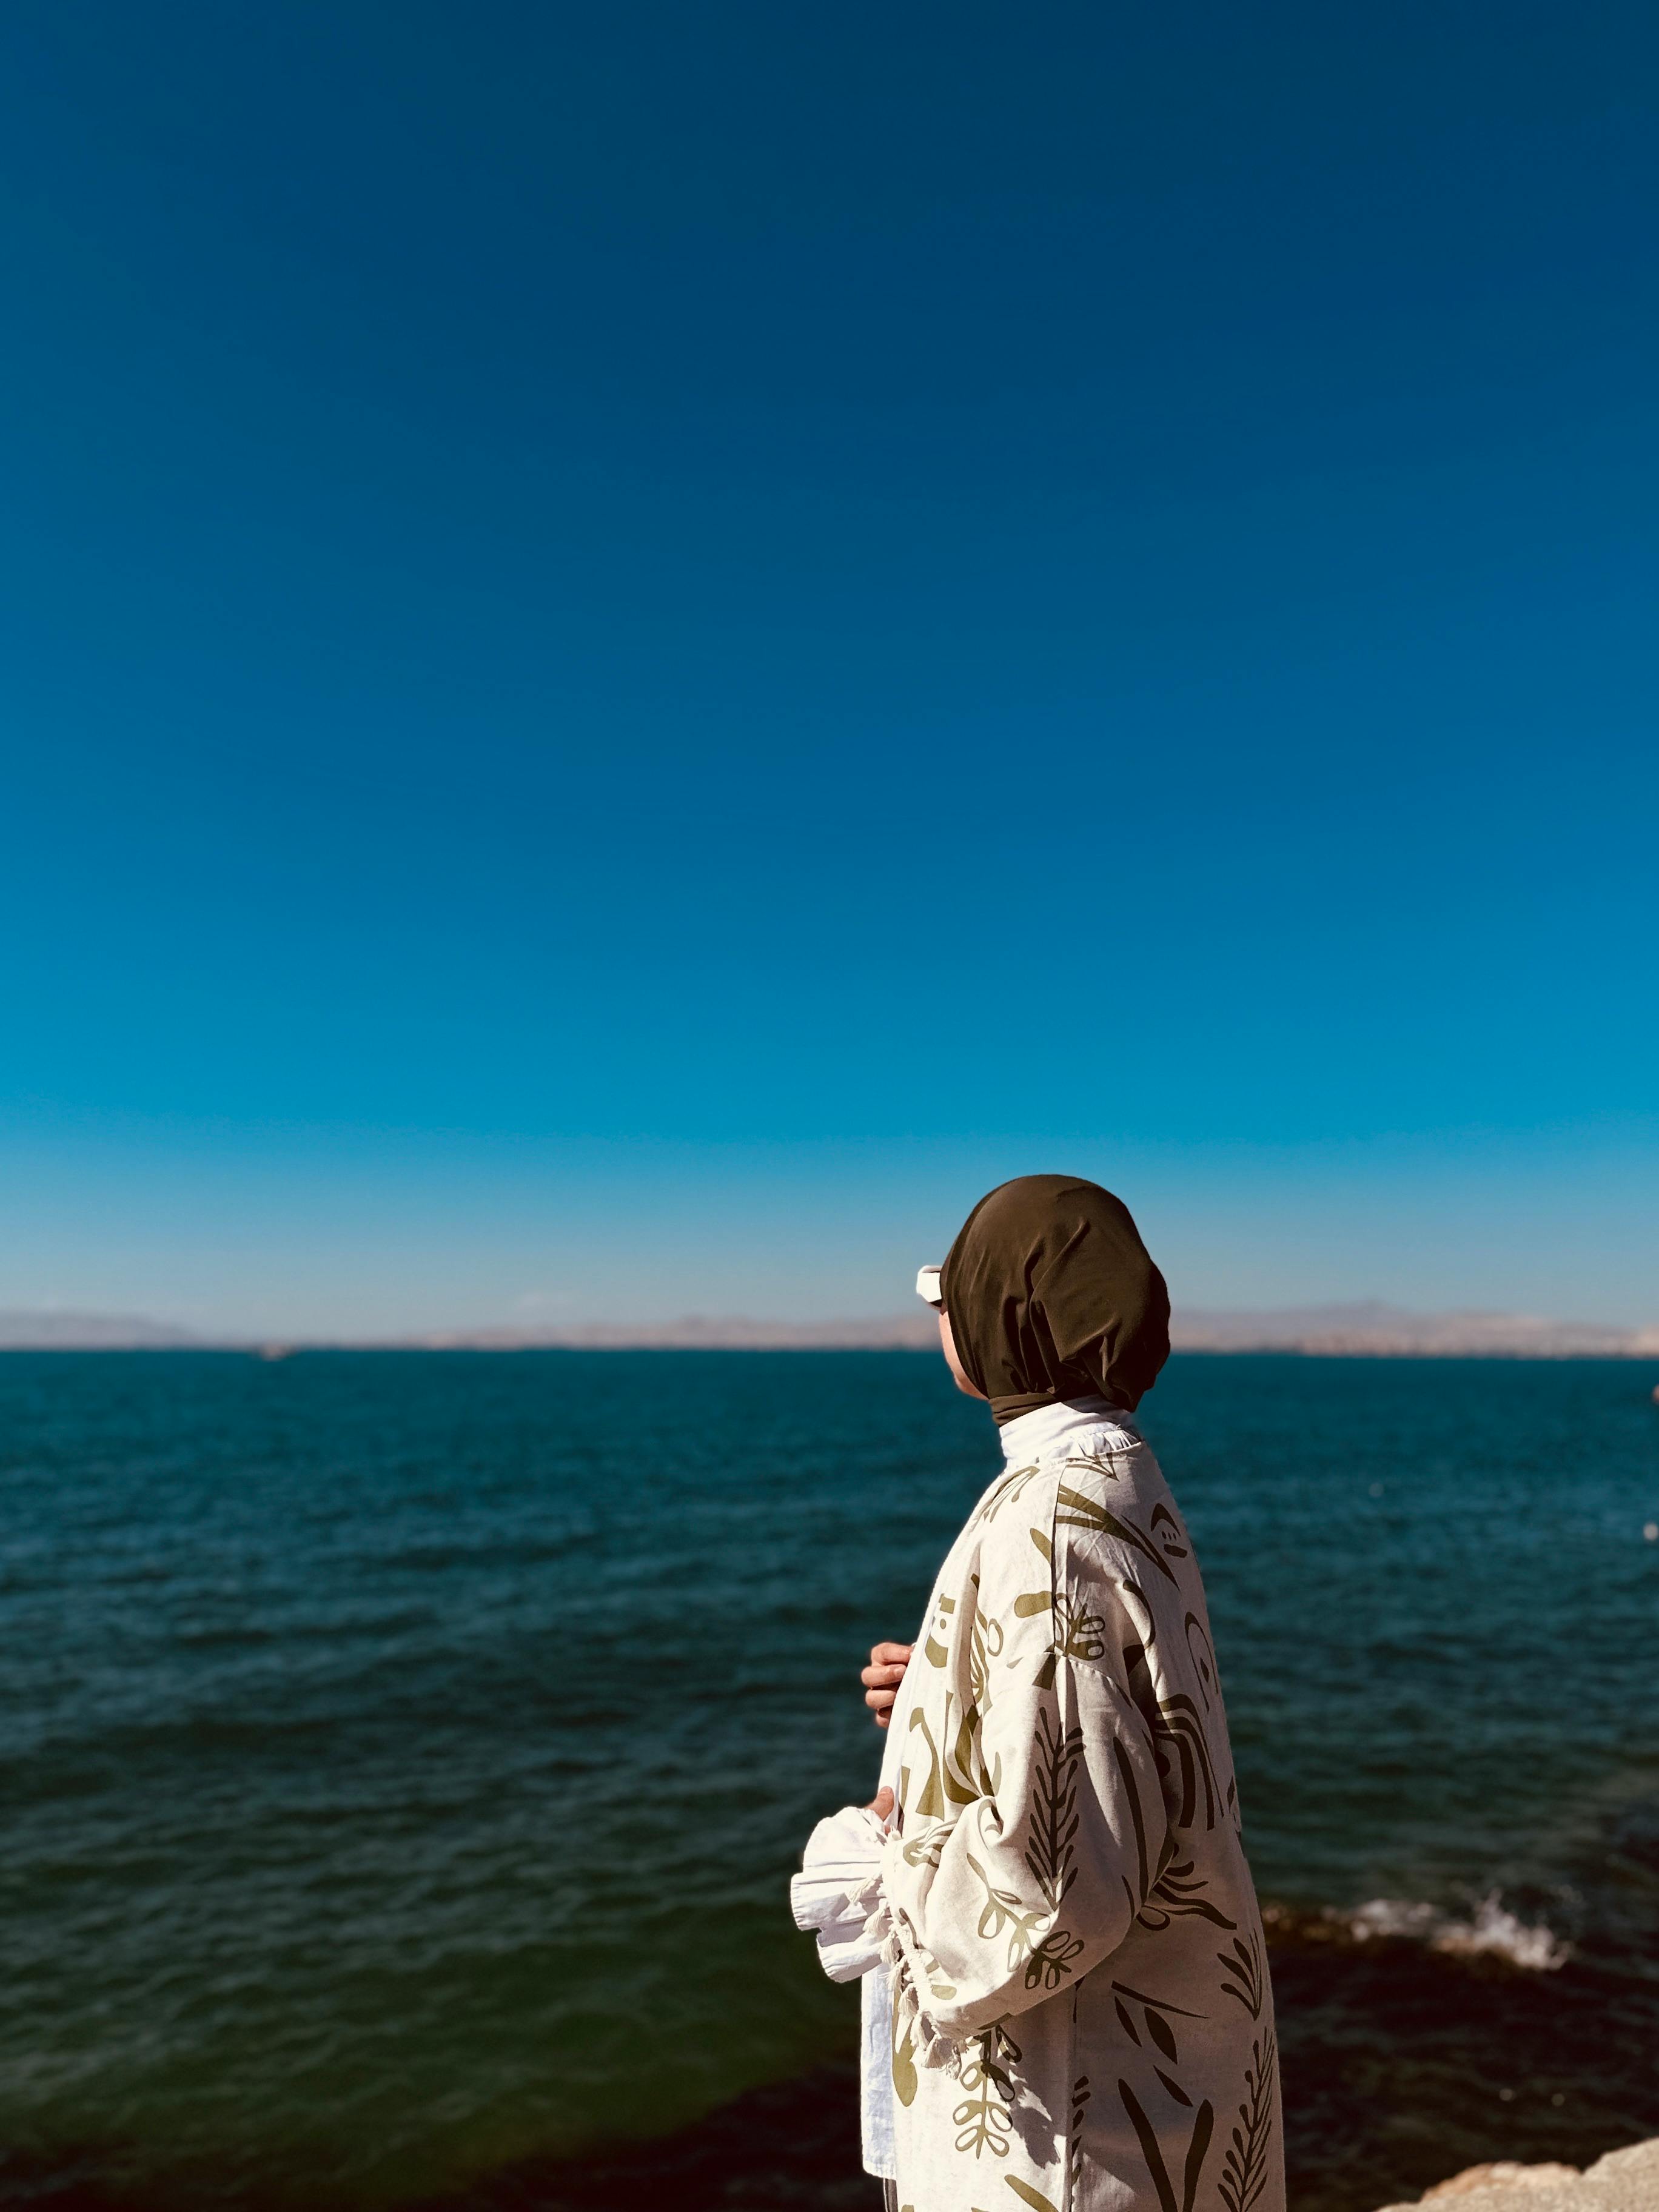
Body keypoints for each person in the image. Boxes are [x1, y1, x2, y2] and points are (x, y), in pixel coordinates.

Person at [792, 1175, 1283, 2212]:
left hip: (1071, 2125)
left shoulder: (1050, 1520)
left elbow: (1055, 1887)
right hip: (1152, 2090)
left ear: (1006, 1313)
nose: (940, 1315)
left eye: (950, 1293)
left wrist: (879, 1867)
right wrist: (943, 1691)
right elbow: (1107, 1724)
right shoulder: (1113, 1478)